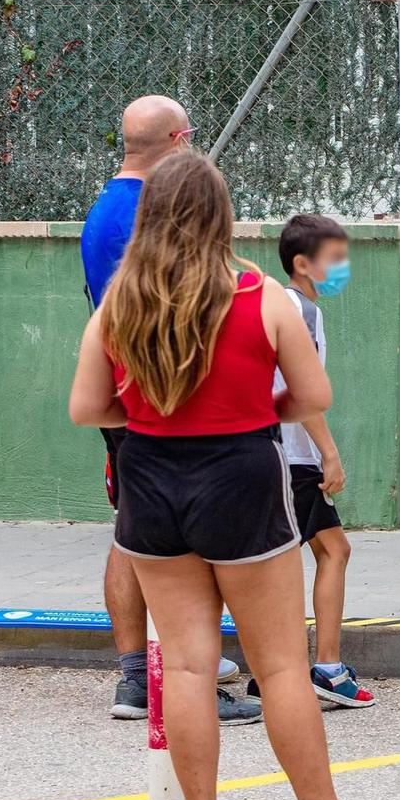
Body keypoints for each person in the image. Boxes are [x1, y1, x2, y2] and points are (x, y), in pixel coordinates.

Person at [68, 152, 364, 800]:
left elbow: (87, 407)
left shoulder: (121, 300)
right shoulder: (258, 294)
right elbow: (314, 392)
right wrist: (258, 412)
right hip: (241, 474)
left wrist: (148, 414)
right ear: (220, 216)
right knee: (284, 666)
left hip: (151, 478)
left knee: (189, 665)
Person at [81, 95, 259, 725]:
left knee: (136, 531)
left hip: (131, 402)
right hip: (164, 402)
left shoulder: (104, 212)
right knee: (185, 543)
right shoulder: (157, 211)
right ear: (181, 139)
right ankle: (182, 677)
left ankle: (138, 677)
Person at [243, 214, 375, 711]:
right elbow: (300, 389)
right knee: (325, 554)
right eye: (334, 260)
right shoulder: (300, 310)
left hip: (276, 452)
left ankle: (281, 671)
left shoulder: (280, 301)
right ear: (303, 264)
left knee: (322, 553)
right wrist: (329, 453)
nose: (342, 268)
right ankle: (324, 667)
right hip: (291, 457)